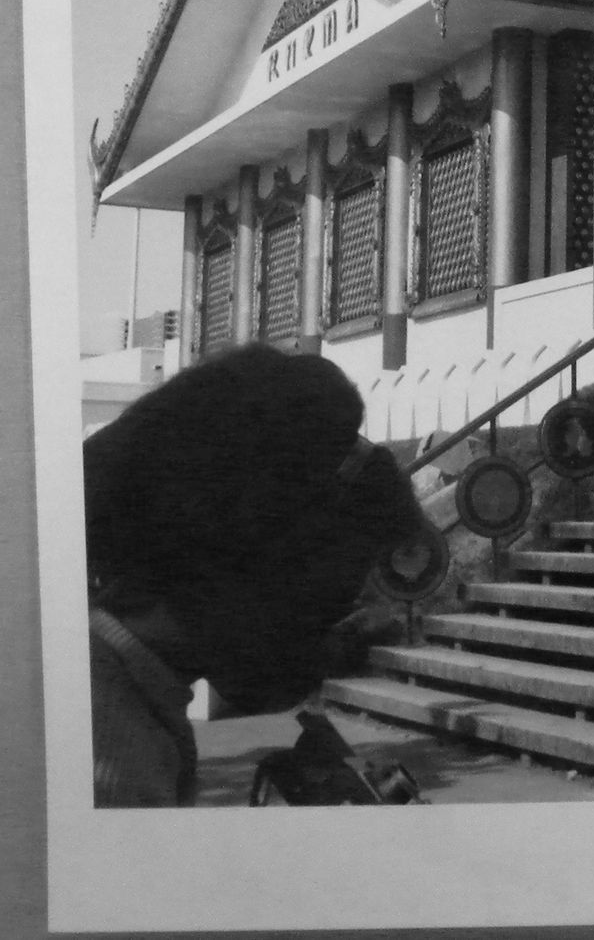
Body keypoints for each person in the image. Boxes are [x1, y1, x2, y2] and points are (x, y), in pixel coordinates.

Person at [84, 342, 425, 806]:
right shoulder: (110, 760)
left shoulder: (118, 692)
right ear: (259, 543)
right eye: (331, 600)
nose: (330, 633)